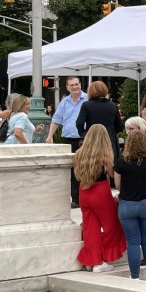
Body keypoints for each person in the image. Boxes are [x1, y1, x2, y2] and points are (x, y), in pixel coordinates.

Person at [72, 124, 126, 273]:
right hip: (100, 191)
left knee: (90, 228)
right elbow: (113, 176)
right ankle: (104, 258)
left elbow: (77, 175)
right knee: (112, 226)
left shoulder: (78, 154)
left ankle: (92, 260)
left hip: (84, 191)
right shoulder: (105, 156)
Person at [113, 129, 146, 281]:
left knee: (133, 242)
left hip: (127, 204)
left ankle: (134, 277)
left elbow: (117, 184)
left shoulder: (122, 162)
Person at [48, 77, 88, 207]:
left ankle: (86, 197)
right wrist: (49, 136)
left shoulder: (88, 99)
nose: (75, 87)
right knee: (72, 170)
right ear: (67, 87)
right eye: (72, 85)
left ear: (80, 84)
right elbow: (56, 120)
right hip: (68, 140)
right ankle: (76, 199)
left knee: (85, 168)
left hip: (84, 139)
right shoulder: (64, 102)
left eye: (76, 84)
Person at [76, 81, 123, 163]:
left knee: (93, 164)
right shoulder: (113, 106)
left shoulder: (86, 105)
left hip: (93, 139)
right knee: (111, 165)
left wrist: (84, 134)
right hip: (110, 139)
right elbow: (119, 127)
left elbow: (79, 123)